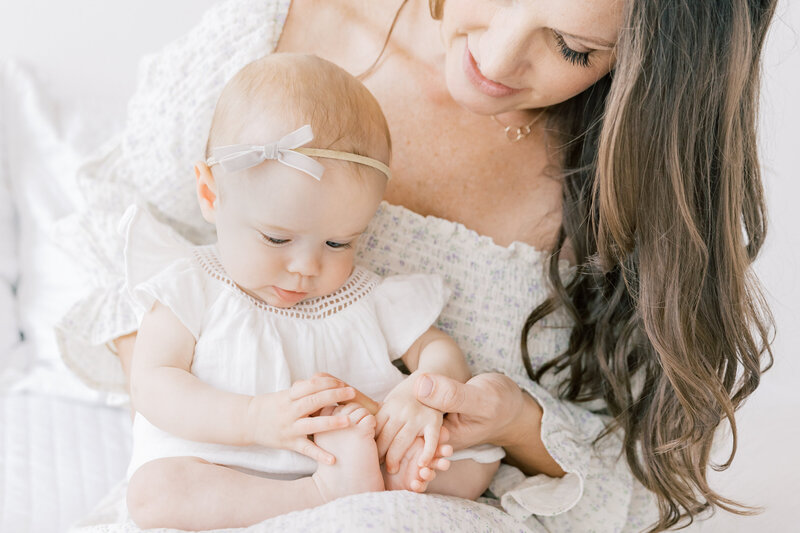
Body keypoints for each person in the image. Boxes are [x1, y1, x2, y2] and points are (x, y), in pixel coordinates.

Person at [56, 0, 778, 531]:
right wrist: (228, 393)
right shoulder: (279, 32)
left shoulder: (629, 174)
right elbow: (105, 227)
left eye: (572, 48)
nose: (494, 61)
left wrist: (501, 415)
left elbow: (637, 471)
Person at [122, 53, 502, 530]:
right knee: (153, 496)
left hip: (354, 453)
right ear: (211, 195)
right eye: (277, 238)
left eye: (338, 242)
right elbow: (152, 383)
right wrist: (253, 419)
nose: (306, 267)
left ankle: (365, 481)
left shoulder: (365, 296)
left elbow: (437, 347)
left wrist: (423, 395)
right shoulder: (193, 285)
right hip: (228, 464)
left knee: (474, 462)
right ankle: (318, 495)